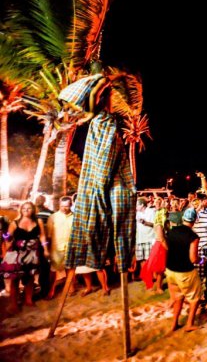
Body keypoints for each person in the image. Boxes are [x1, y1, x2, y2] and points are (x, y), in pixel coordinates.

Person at [62, 62, 136, 280]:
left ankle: (118, 256)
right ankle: (106, 254)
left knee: (114, 190)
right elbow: (98, 88)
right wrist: (115, 76)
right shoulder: (98, 90)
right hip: (104, 131)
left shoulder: (93, 110)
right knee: (100, 187)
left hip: (104, 131)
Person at [165, 208, 201, 332]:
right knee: (194, 299)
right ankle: (189, 324)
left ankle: (174, 323)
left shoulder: (171, 231)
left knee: (178, 298)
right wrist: (201, 260)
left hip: (170, 270)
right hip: (185, 272)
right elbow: (193, 259)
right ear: (195, 220)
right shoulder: (193, 236)